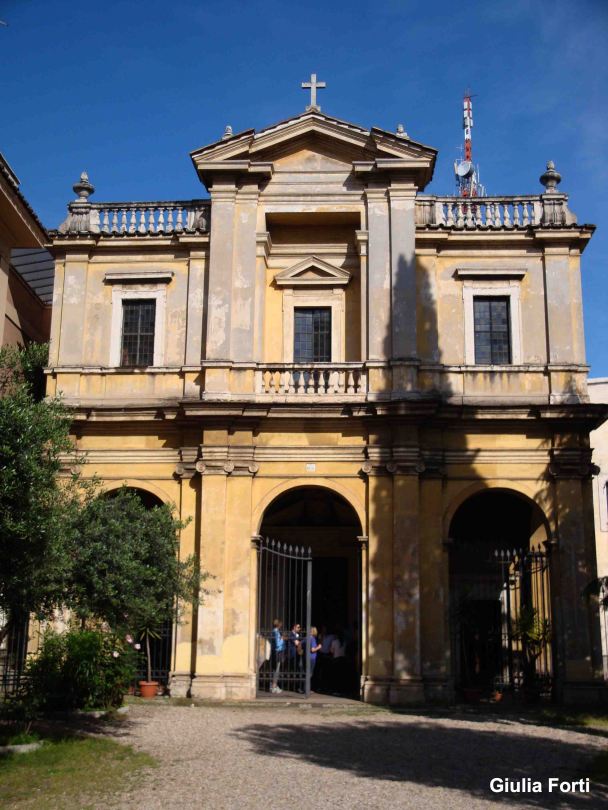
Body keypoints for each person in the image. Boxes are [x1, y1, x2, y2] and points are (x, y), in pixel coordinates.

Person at [286, 622, 302, 692]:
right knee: (292, 671)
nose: (299, 629)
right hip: (291, 655)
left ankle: (295, 686)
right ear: (294, 627)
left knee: (296, 670)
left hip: (296, 655)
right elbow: (296, 643)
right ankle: (292, 686)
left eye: (299, 627)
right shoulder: (291, 634)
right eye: (298, 627)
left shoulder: (296, 635)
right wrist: (301, 642)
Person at [270, 619, 285, 694]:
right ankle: (274, 686)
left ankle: (274, 685)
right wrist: (282, 639)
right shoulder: (276, 632)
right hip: (277, 652)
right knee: (276, 670)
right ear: (278, 624)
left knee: (275, 669)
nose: (281, 625)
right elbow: (277, 644)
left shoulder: (275, 631)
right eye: (280, 624)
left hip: (276, 652)